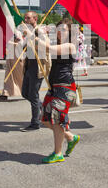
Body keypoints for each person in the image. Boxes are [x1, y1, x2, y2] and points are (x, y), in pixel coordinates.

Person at [33, 18, 80, 164]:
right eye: (58, 29)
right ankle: (70, 137)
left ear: (70, 32)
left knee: (57, 120)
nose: (60, 32)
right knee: (45, 119)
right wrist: (38, 31)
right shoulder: (56, 43)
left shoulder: (71, 45)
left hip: (65, 87)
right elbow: (44, 44)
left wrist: (33, 37)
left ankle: (57, 153)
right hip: (53, 87)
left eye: (64, 29)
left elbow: (49, 49)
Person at [20, 11, 51, 132]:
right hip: (29, 65)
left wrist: (32, 37)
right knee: (25, 93)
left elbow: (46, 45)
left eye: (28, 18)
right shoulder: (28, 32)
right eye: (25, 18)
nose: (26, 20)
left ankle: (35, 123)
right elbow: (24, 47)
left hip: (38, 67)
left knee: (33, 95)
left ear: (35, 19)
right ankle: (43, 108)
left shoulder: (40, 30)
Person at [0, 29, 24, 102]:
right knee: (8, 76)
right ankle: (5, 93)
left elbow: (22, 44)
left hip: (18, 59)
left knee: (21, 77)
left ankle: (27, 92)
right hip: (10, 58)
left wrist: (13, 42)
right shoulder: (6, 33)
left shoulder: (18, 32)